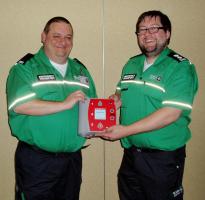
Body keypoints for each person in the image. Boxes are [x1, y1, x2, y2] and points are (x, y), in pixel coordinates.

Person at [98, 10, 198, 200]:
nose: (147, 33)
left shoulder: (180, 67)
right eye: (142, 29)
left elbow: (171, 112)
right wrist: (114, 102)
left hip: (162, 159)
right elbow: (121, 94)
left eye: (154, 28)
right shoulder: (131, 64)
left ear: (167, 33)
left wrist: (125, 131)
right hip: (132, 156)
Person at [6, 16, 97, 200]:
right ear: (43, 36)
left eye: (68, 37)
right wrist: (64, 104)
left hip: (72, 161)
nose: (63, 42)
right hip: (37, 161)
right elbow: (21, 105)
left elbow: (92, 107)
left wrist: (94, 127)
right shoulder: (26, 68)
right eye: (56, 36)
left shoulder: (80, 71)